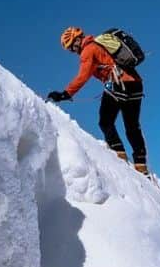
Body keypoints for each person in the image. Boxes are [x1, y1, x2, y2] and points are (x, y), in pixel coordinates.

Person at [46, 27, 148, 174]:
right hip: (136, 85)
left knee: (105, 121)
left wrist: (65, 94)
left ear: (77, 40)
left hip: (119, 84)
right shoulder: (99, 45)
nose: (73, 51)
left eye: (72, 47)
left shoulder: (88, 50)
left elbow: (83, 76)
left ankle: (119, 155)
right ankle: (141, 165)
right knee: (132, 127)